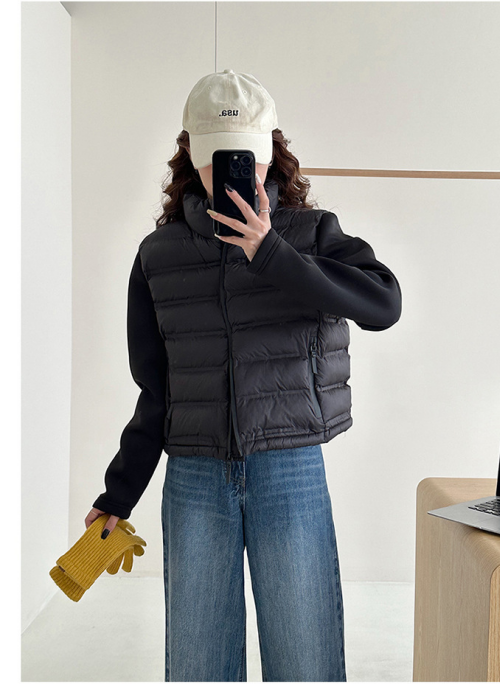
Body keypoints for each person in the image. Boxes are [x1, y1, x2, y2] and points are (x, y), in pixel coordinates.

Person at [85, 69, 402, 682]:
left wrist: (271, 253)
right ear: (192, 158)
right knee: (198, 666)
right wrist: (118, 494)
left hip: (289, 469)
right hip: (195, 477)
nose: (233, 172)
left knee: (306, 662)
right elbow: (156, 390)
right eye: (218, 159)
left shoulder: (311, 233)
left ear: (270, 155)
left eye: (246, 158)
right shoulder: (159, 256)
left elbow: (384, 305)